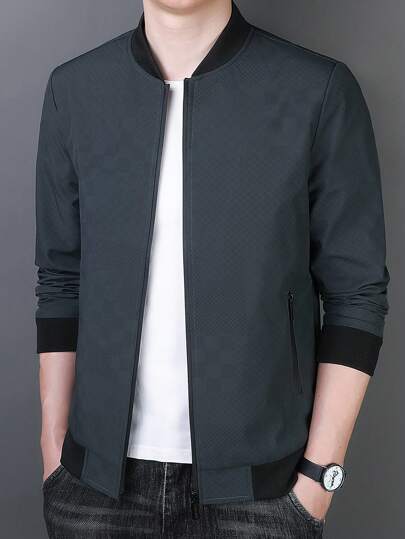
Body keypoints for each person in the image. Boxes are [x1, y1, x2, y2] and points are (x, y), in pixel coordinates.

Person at [35, 0, 389, 537]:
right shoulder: (75, 90)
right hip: (93, 490)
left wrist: (320, 477)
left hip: (264, 496)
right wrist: (54, 446)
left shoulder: (317, 90)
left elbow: (356, 292)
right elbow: (61, 281)